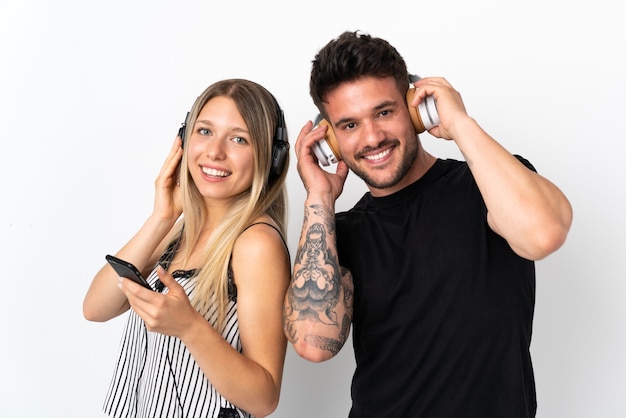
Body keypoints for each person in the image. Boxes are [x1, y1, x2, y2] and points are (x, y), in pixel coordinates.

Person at [283, 31, 573, 417]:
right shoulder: (342, 232)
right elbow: (312, 344)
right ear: (330, 141)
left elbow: (544, 235)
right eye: (349, 126)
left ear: (416, 109)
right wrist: (318, 198)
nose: (372, 137)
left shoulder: (487, 187)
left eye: (384, 112)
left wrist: (459, 122)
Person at [83, 78, 291, 418]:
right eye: (205, 131)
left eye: (239, 139)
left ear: (270, 158)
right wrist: (162, 217)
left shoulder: (256, 244)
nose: (214, 152)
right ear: (184, 140)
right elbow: (95, 308)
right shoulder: (180, 232)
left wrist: (190, 327)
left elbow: (264, 397)